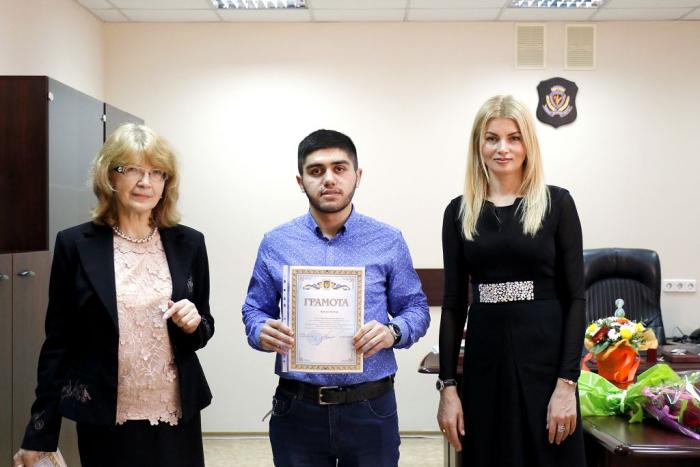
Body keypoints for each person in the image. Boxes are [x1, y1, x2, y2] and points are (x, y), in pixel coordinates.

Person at [14, 124, 214, 467]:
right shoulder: (75, 244)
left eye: (157, 172)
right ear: (110, 176)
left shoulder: (189, 243)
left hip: (176, 414)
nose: (145, 182)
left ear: (167, 182)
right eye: (132, 169)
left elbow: (204, 328)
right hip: (104, 417)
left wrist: (194, 323)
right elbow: (58, 344)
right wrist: (40, 432)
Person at [242, 129, 430, 467]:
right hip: (298, 409)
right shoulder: (277, 242)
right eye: (316, 171)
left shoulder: (388, 240)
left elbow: (415, 309)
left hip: (370, 407)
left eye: (339, 168)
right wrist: (260, 330)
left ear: (358, 176)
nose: (328, 179)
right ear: (300, 181)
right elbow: (254, 309)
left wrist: (393, 332)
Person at [436, 95, 586, 466]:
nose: (502, 148)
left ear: (527, 144)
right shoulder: (458, 212)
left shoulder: (557, 204)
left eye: (514, 138)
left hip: (546, 365)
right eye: (492, 138)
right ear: (479, 145)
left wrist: (567, 384)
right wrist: (448, 388)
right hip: (486, 363)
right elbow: (453, 304)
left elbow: (576, 299)